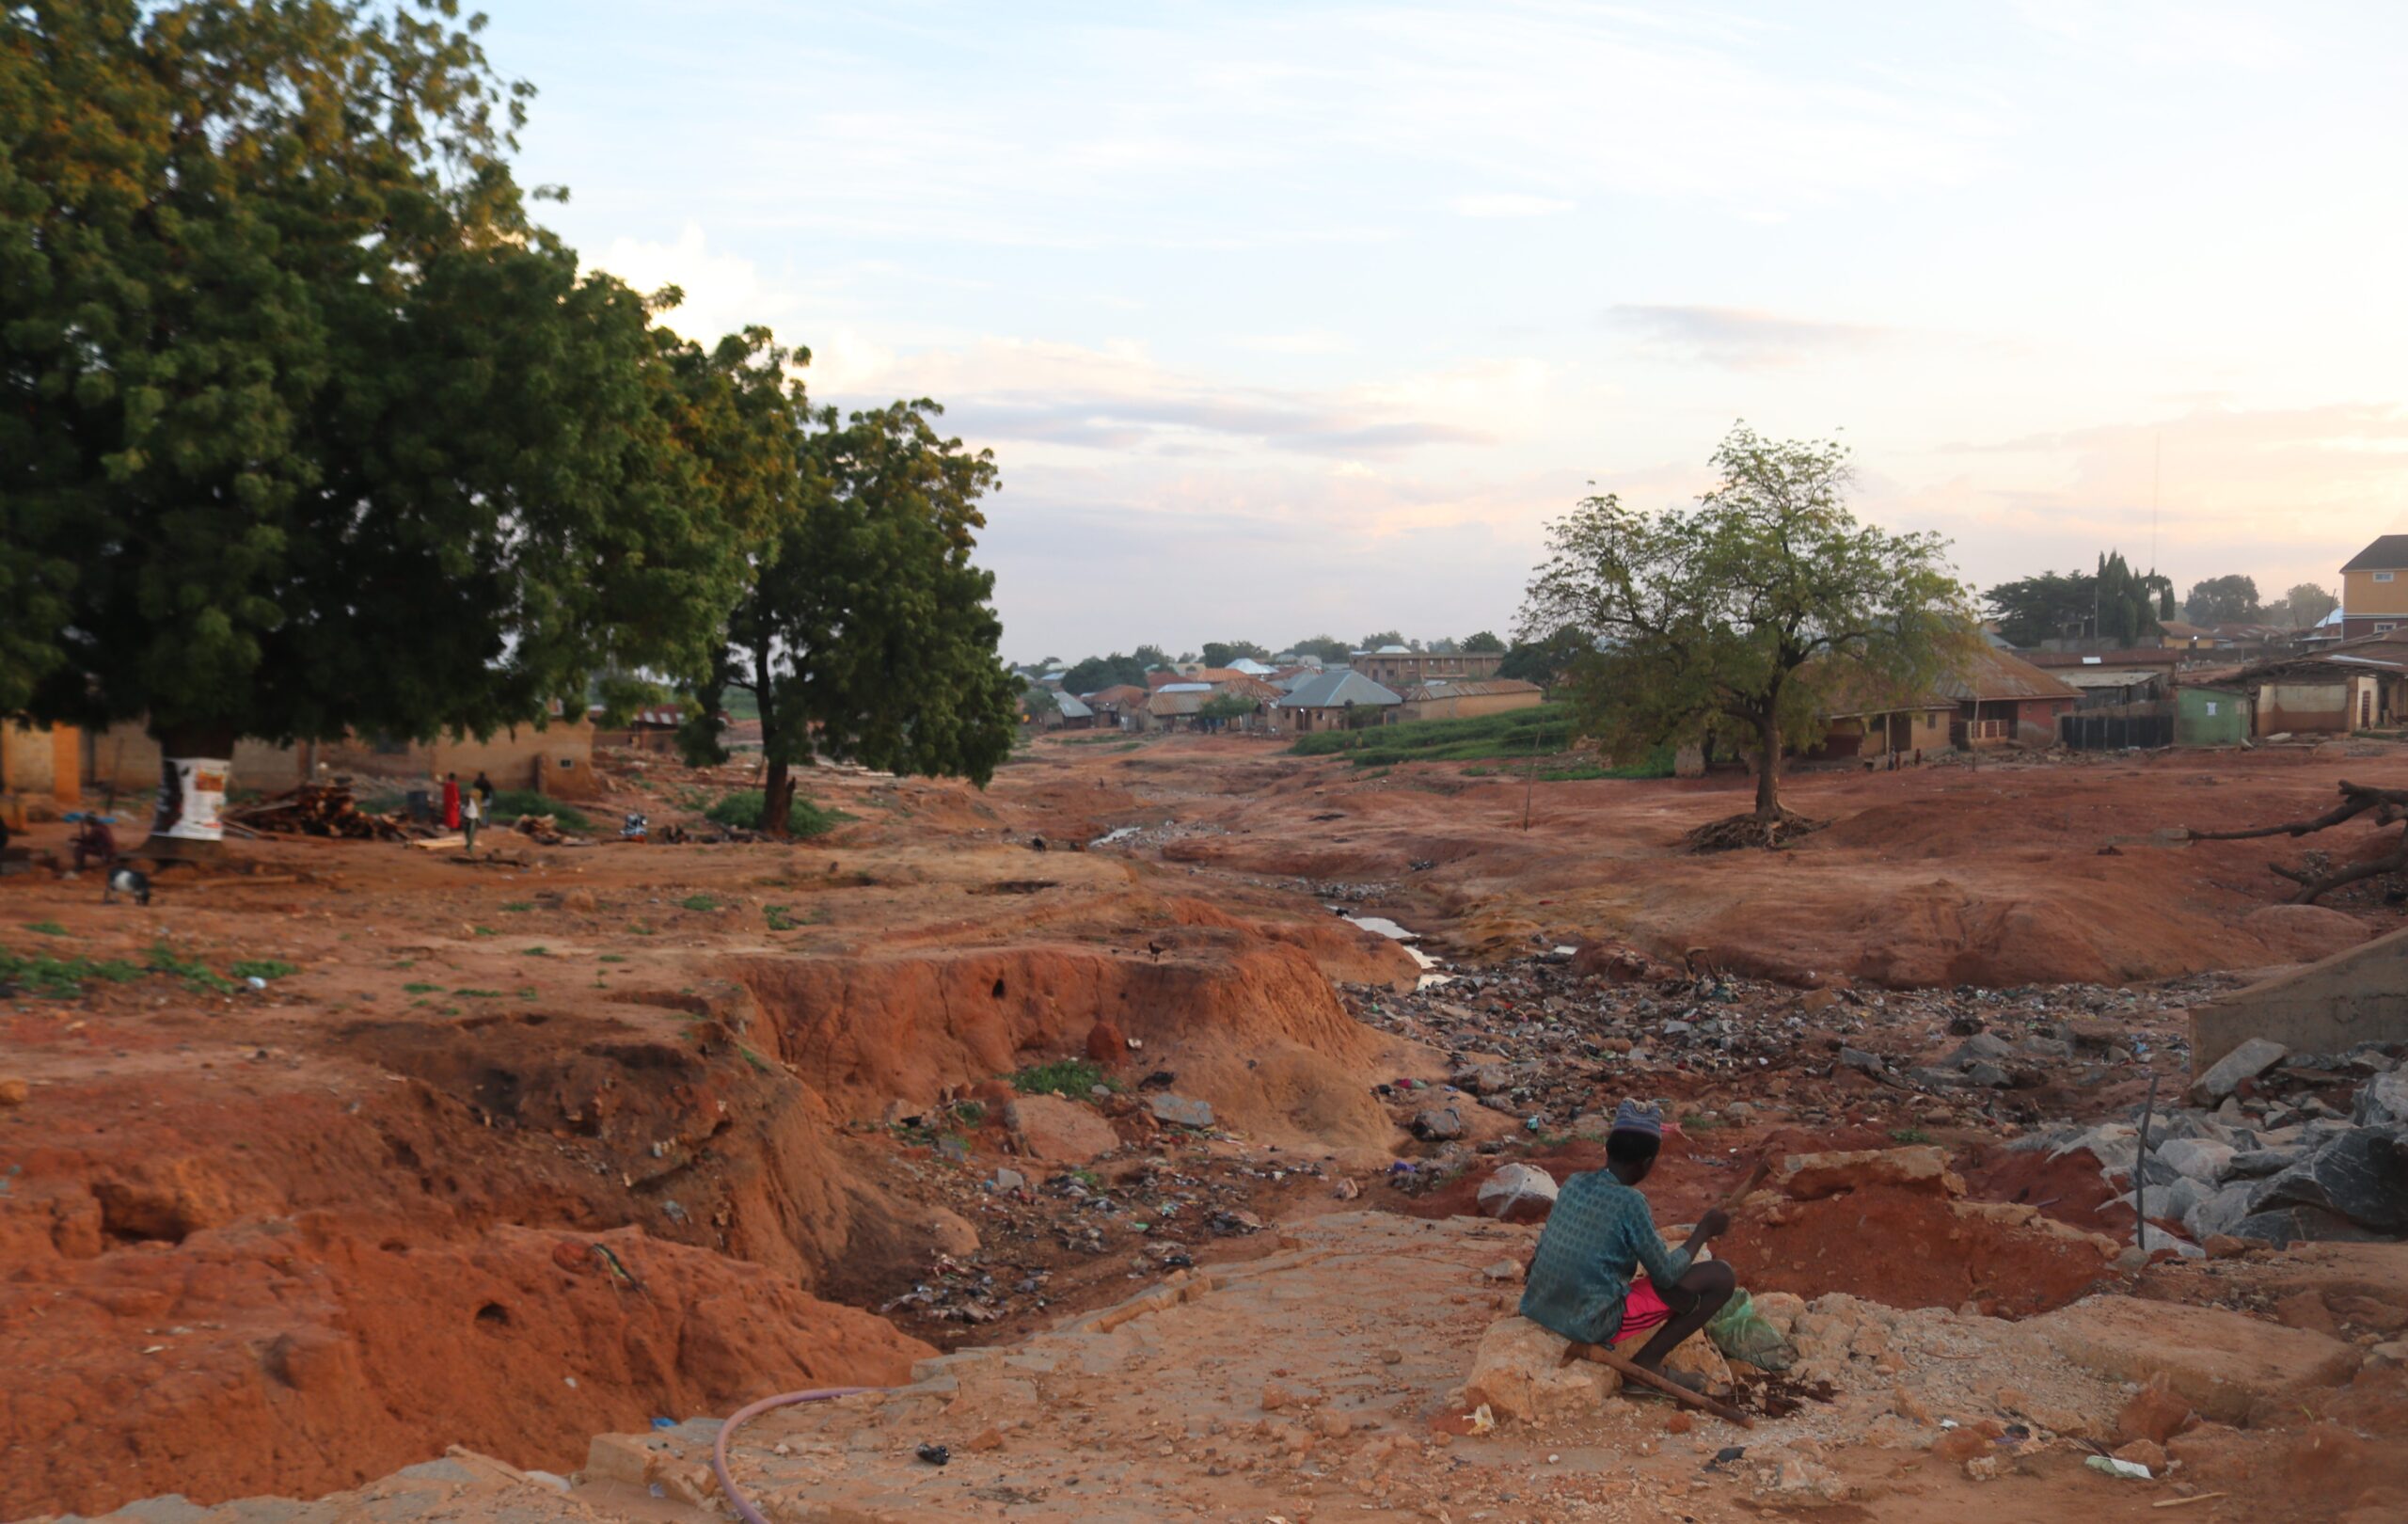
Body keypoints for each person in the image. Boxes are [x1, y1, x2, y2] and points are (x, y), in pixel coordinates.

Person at [1518, 1100, 1735, 1386]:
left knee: (1665, 1281)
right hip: (1589, 1322)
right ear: (1647, 1163)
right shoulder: (1630, 1202)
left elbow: (1543, 1250)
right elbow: (1667, 1274)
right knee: (1720, 1276)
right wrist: (1702, 1232)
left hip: (1538, 1304)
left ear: (1607, 1149)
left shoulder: (1574, 1182)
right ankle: (1647, 1364)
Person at [460, 788, 482, 856]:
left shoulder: (472, 803)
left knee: (470, 834)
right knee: (467, 833)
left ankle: (470, 848)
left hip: (472, 819)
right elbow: (462, 810)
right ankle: (469, 845)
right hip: (467, 818)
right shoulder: (465, 803)